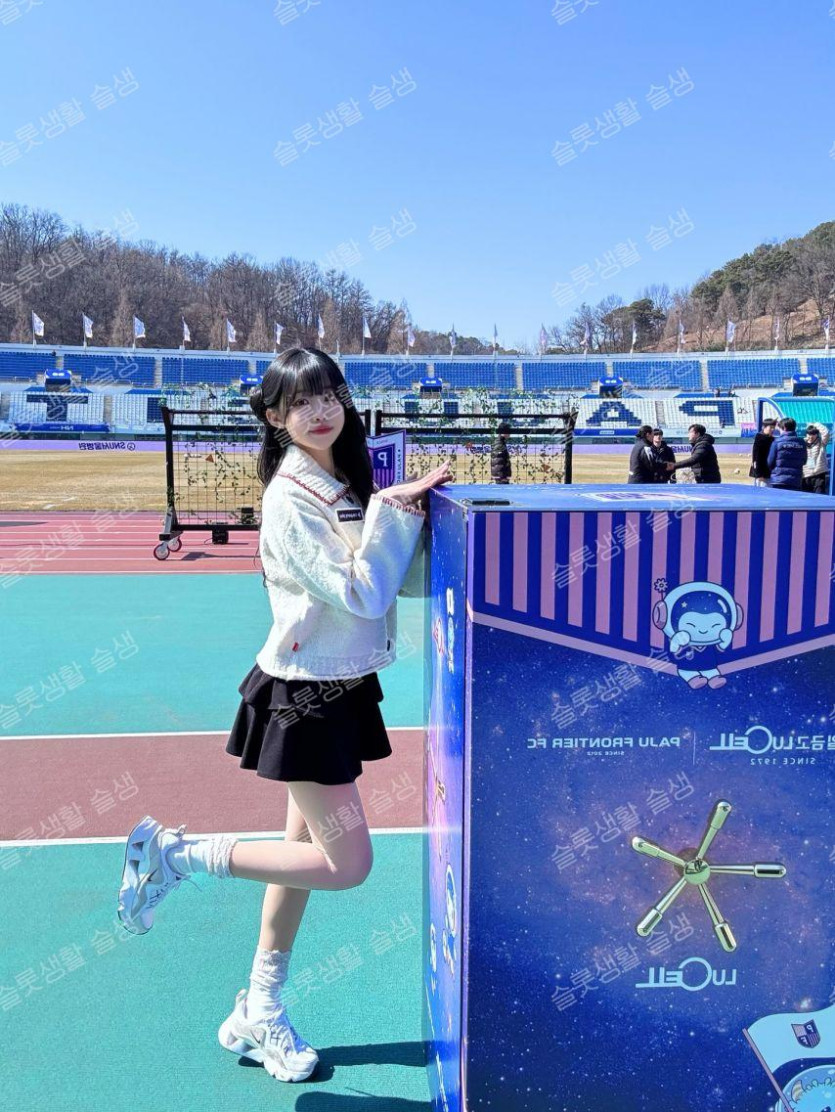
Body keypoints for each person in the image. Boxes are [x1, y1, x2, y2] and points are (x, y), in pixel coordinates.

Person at [116, 347, 453, 1084]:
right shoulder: (290, 497)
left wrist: (417, 516)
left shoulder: (341, 479)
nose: (320, 411)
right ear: (274, 417)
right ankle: (176, 854)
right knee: (347, 865)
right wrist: (395, 512)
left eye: (329, 394)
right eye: (300, 402)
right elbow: (363, 592)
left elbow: (390, 577)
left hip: (338, 684)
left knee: (298, 862)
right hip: (304, 698)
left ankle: (258, 1009)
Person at [767, 417, 807, 491]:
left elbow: (770, 462)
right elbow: (804, 461)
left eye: (779, 429)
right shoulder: (801, 442)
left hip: (778, 480)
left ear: (784, 428)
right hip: (795, 481)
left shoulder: (777, 442)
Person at [802, 423, 830, 494]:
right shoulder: (802, 443)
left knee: (819, 496)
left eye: (813, 434)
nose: (811, 436)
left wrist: (815, 424)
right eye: (809, 434)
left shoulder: (822, 443)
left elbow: (826, 433)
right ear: (806, 434)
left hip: (819, 474)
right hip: (805, 475)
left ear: (817, 434)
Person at [749, 417, 777, 487]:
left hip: (769, 472)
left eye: (773, 427)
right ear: (764, 427)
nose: (773, 429)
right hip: (762, 474)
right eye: (771, 427)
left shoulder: (772, 439)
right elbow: (756, 457)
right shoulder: (759, 438)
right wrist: (759, 474)